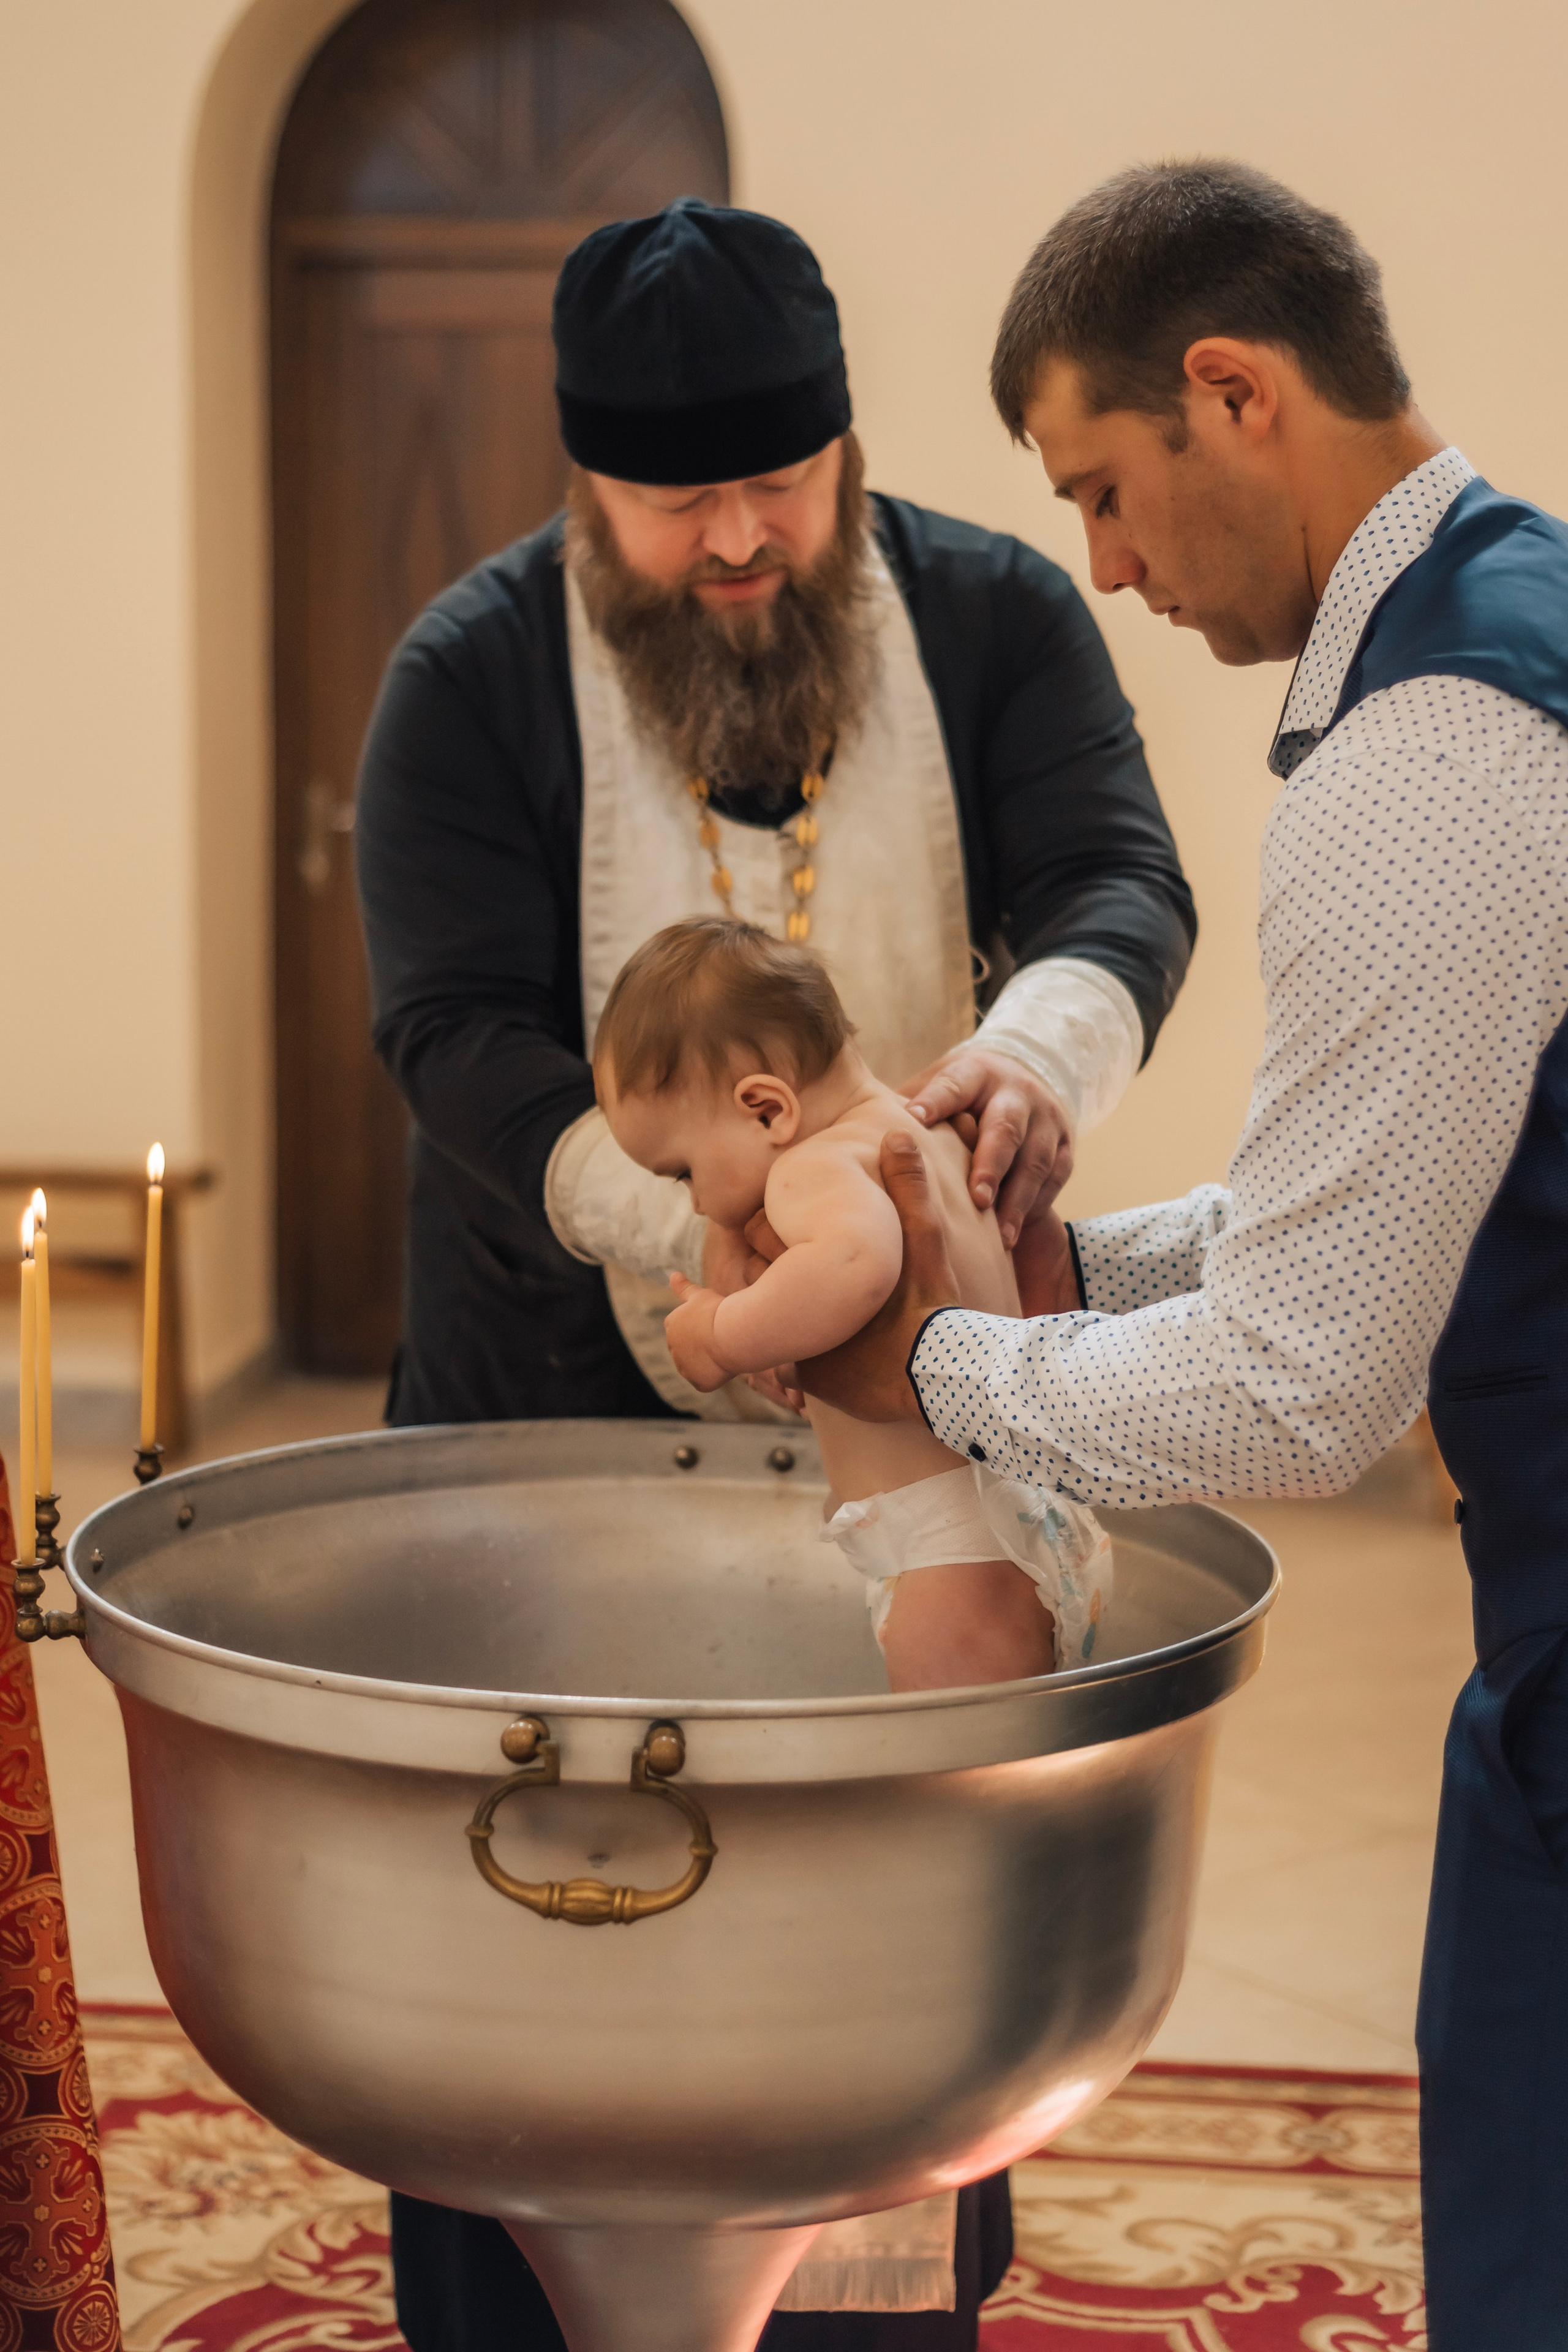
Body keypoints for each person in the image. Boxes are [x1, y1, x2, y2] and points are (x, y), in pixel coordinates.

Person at [356, 195, 1195, 2349]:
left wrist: (1023, 1061)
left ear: (841, 450)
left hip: (915, 1446)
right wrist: (714, 1232)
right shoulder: (469, 676)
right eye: (678, 500)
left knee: (880, 1995)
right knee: (532, 1998)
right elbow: (454, 1031)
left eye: (782, 483)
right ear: (584, 485)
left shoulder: (990, 615)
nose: (740, 542)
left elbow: (1117, 872)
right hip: (551, 1431)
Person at [794, 160, 1568, 2352]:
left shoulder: (1427, 751)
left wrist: (924, 1368)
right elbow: (1425, 1194)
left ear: (1227, 391)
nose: (1105, 566)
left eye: (1105, 493)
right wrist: (1071, 1266)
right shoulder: (1512, 623)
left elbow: (1306, 1387)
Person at [595, 917, 1110, 1690]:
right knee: (1023, 1779)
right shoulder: (927, 1132)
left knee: (949, 1786)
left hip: (952, 1557)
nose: (698, 1206)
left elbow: (853, 1267)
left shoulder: (813, 1167)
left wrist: (722, 1335)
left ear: (767, 1109)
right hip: (1029, 1518)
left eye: (682, 1172)